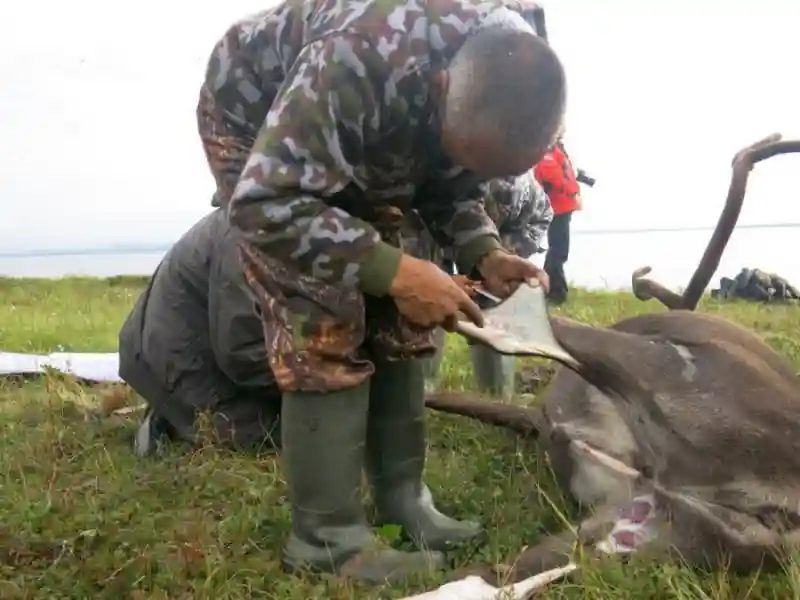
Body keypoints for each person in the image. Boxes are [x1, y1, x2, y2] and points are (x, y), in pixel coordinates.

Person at [196, 0, 566, 582]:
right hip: (262, 125)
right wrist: (391, 271)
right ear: (440, 87)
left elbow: (447, 181)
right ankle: (327, 539)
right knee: (324, 308)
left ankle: (403, 499)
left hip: (375, 126)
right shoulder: (355, 57)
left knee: (406, 305)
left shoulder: (507, 61)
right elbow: (267, 204)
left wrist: (484, 253)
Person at [118, 209, 283, 456]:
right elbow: (243, 352)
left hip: (172, 349)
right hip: (177, 364)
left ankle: (174, 412)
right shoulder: (248, 231)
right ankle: (174, 418)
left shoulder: (262, 213)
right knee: (309, 431)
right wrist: (316, 380)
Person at [421, 170, 553, 398]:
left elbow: (542, 217)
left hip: (491, 249)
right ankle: (422, 391)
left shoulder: (522, 187)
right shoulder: (447, 168)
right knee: (430, 303)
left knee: (493, 312)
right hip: (434, 238)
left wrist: (505, 252)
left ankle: (497, 394)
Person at [535, 138, 581, 304]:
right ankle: (554, 292)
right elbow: (554, 176)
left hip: (563, 207)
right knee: (558, 250)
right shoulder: (546, 153)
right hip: (557, 208)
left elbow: (565, 171)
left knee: (558, 249)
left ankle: (552, 289)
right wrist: (573, 193)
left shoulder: (556, 149)